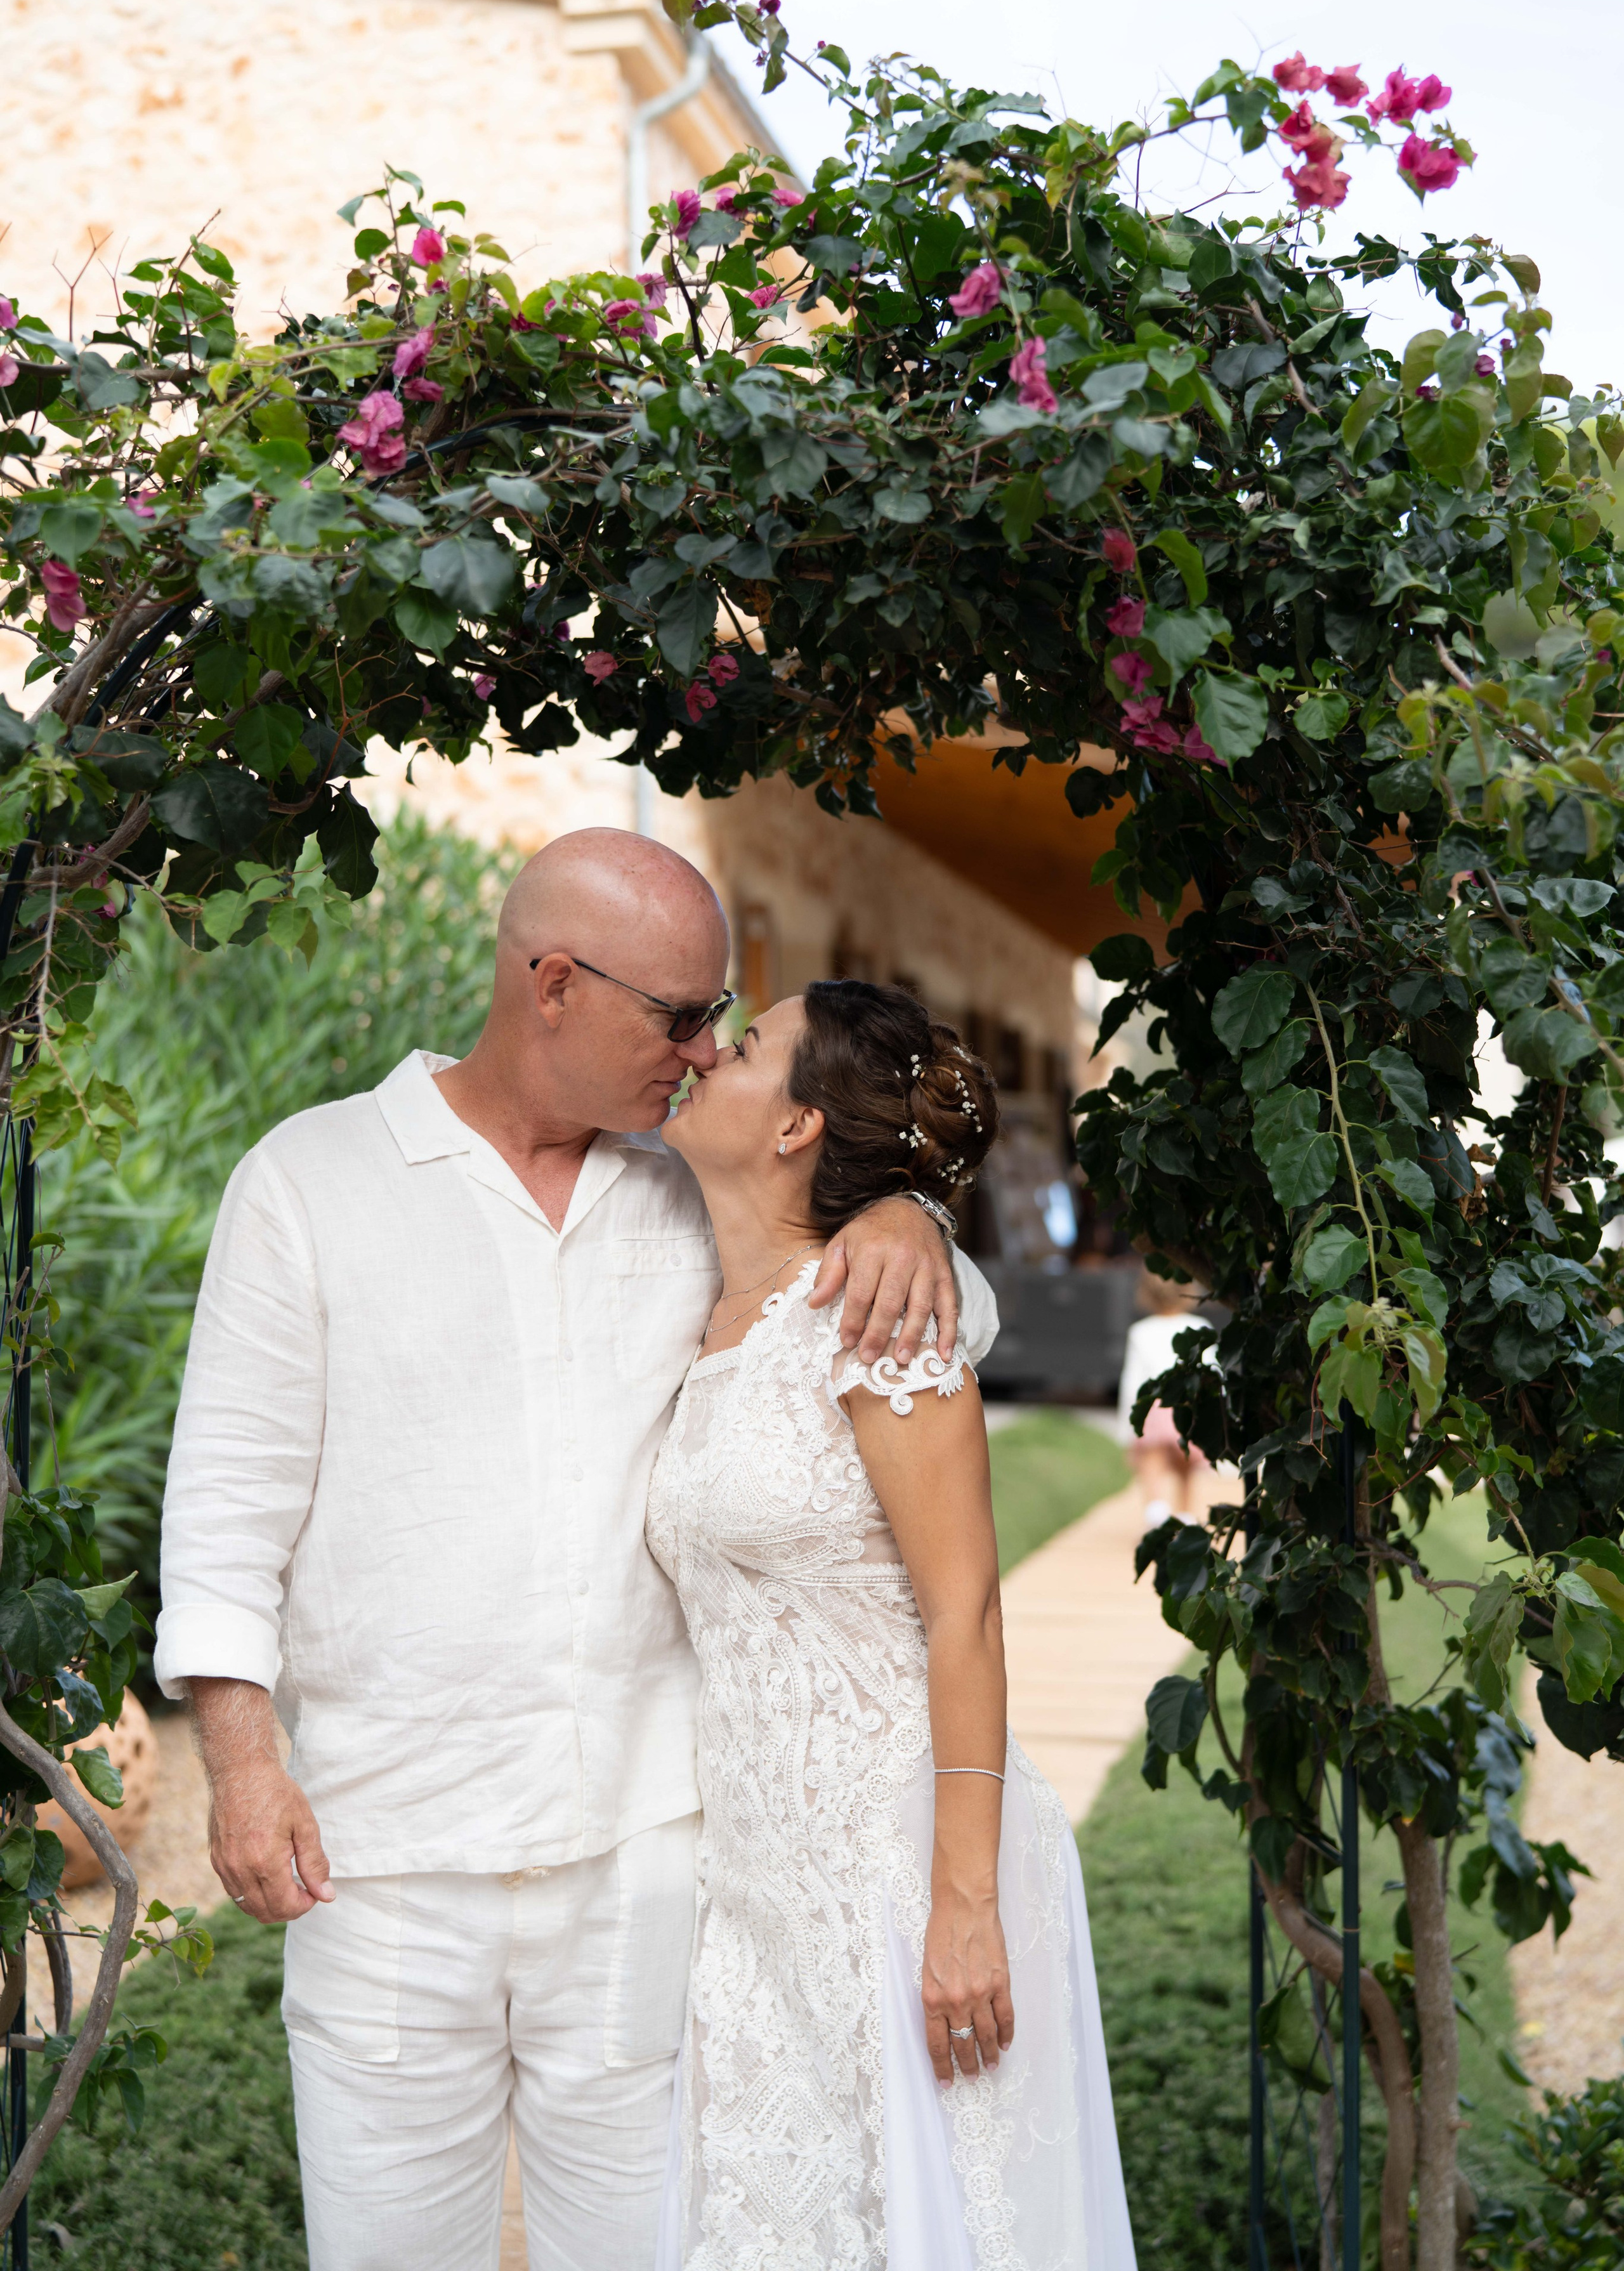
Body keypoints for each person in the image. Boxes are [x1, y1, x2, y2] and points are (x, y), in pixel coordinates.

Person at [153, 829, 960, 2271]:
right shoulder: (309, 1181)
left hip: (644, 1868)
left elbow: (835, 1279)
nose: (705, 1052)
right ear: (550, 983)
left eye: (721, 1018)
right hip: (382, 1864)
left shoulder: (681, 1194)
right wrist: (240, 1757)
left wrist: (909, 1210)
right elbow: (225, 1499)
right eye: (681, 1015)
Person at [649, 981, 1136, 2271]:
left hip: (904, 1871)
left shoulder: (880, 1323)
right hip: (754, 1885)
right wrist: (909, 1204)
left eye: (741, 1045)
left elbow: (965, 1612)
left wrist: (962, 1904)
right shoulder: (704, 1307)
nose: (704, 1052)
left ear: (799, 1123)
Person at [1115, 1269, 1214, 1527]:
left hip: (1153, 1408)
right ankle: (1186, 1516)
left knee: (1152, 1463)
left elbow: (1132, 1382)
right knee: (1185, 1467)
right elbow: (1213, 1373)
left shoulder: (1140, 1332)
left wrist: (1127, 1427)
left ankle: (1156, 1511)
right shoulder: (1201, 1328)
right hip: (1188, 1405)